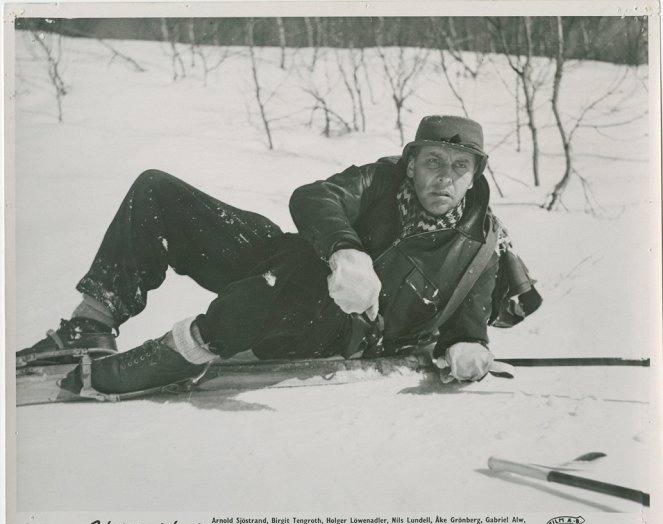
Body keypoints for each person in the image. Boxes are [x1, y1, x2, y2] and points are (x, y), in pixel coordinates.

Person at [17, 115, 541, 395]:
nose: (444, 177)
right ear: (411, 165)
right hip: (298, 266)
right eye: (433, 161)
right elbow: (315, 197)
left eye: (458, 167)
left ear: (475, 176)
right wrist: (347, 251)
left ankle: (188, 350)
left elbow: (467, 328)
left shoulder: (480, 245)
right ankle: (92, 323)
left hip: (336, 326)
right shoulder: (381, 180)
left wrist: (467, 351)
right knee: (159, 192)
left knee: (290, 275)